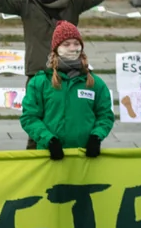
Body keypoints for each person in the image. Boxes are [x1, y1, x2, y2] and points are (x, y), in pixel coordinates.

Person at [18, 21, 115, 161]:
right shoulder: (40, 82)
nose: (72, 48)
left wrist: (96, 136)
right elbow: (29, 117)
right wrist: (49, 140)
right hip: (50, 157)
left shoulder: (95, 83)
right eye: (66, 44)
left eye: (76, 43)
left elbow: (105, 115)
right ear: (56, 48)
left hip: (84, 158)